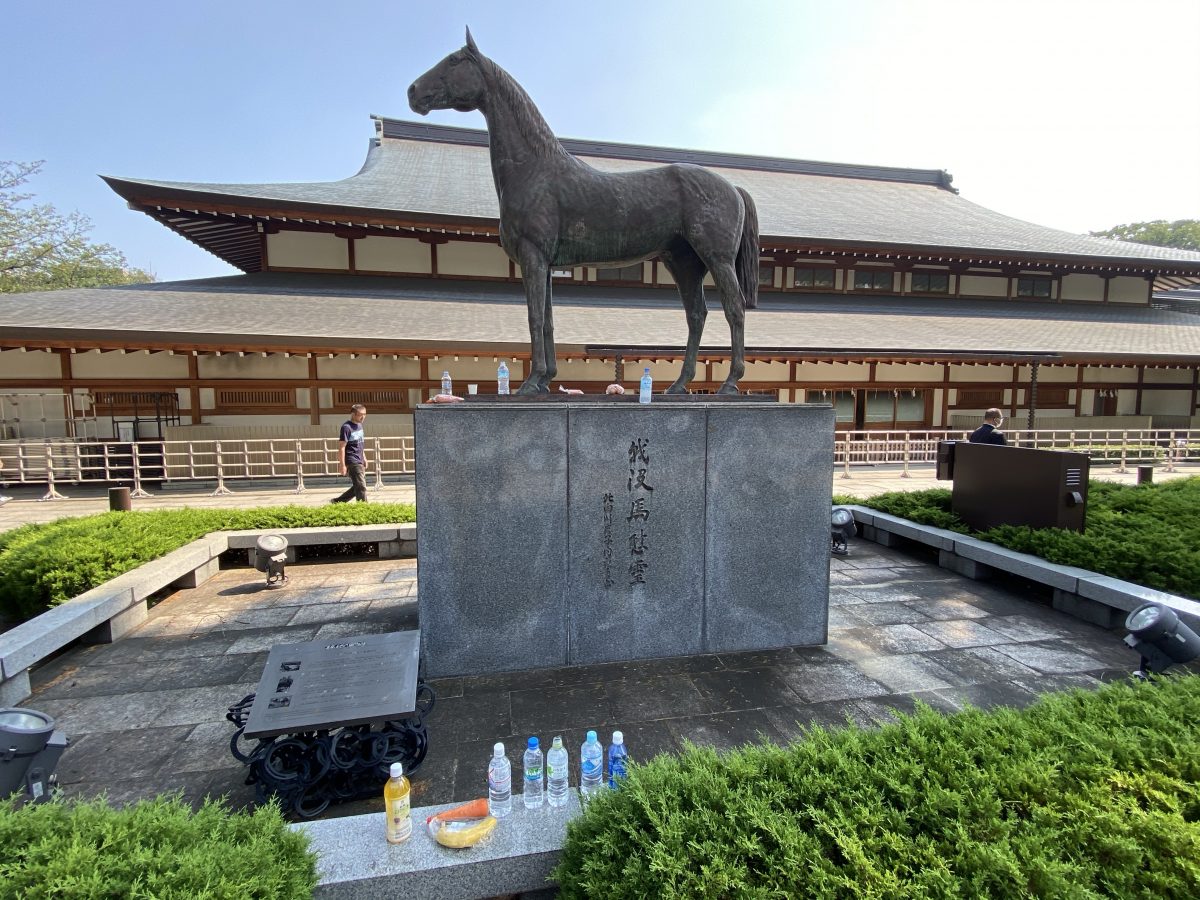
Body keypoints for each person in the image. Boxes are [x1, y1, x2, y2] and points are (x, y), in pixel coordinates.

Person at [331, 404, 368, 502]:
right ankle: (364, 508)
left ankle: (338, 501)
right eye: (360, 415)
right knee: (361, 486)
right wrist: (342, 465)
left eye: (364, 414)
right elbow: (341, 447)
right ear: (353, 414)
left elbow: (360, 443)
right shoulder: (346, 427)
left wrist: (364, 457)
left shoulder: (360, 425)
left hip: (359, 459)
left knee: (358, 485)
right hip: (352, 460)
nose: (363, 417)